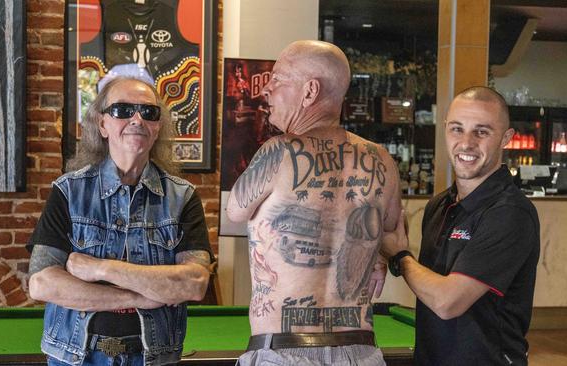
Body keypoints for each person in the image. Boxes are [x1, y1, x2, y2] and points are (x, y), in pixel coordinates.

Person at [226, 40, 402, 366]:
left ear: (309, 92)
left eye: (278, 79)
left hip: (284, 350)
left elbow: (234, 212)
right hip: (360, 350)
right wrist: (376, 254)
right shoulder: (382, 161)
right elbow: (394, 237)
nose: (267, 90)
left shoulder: (276, 152)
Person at [27, 76, 213, 366]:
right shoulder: (68, 191)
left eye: (148, 112)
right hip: (75, 358)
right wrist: (139, 296)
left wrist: (101, 268)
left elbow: (194, 284)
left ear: (157, 126)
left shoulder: (183, 198)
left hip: (153, 358)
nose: (137, 119)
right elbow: (43, 284)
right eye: (123, 110)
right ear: (102, 124)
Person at [381, 86, 540, 365]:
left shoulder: (510, 213)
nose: (466, 143)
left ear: (506, 138)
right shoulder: (439, 205)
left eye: (481, 131)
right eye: (456, 129)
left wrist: (400, 257)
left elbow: (447, 302)